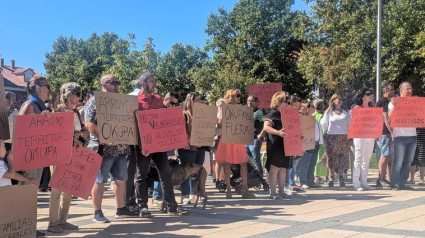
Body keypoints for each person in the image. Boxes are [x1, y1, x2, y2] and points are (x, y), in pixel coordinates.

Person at [85, 74, 138, 223]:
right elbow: (89, 123)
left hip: (121, 148)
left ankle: (121, 209)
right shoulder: (94, 101)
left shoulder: (121, 102)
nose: (116, 85)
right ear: (103, 84)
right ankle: (97, 212)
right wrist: (104, 138)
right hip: (103, 149)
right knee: (100, 180)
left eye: (117, 82)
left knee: (121, 179)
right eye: (112, 82)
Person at [136, 73, 182, 216]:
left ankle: (171, 206)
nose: (153, 84)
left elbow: (163, 120)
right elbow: (134, 125)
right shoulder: (135, 100)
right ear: (143, 84)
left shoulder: (158, 99)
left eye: (154, 81)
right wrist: (141, 144)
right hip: (142, 145)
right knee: (141, 175)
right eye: (151, 82)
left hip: (158, 145)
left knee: (165, 173)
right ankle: (142, 206)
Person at [47, 83, 87, 233]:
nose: (79, 97)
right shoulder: (58, 111)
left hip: (73, 152)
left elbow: (83, 131)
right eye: (77, 93)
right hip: (59, 154)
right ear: (69, 95)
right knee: (57, 189)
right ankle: (53, 223)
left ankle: (63, 220)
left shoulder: (76, 112)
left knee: (69, 189)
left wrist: (80, 137)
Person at [19, 75, 52, 237]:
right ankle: (23, 228)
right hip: (29, 158)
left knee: (32, 194)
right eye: (47, 86)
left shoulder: (39, 106)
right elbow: (21, 131)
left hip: (37, 157)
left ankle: (29, 226)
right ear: (38, 88)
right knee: (26, 194)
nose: (49, 90)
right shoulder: (29, 105)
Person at [216, 89, 254, 199]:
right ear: (231, 96)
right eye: (237, 95)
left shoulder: (241, 109)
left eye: (239, 95)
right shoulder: (225, 109)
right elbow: (219, 125)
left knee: (243, 162)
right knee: (227, 164)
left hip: (238, 139)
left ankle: (245, 189)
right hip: (227, 138)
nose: (239, 97)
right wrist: (219, 122)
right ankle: (228, 190)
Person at [177, 92, 207, 204]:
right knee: (186, 170)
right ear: (190, 101)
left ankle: (195, 193)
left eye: (200, 100)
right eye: (196, 100)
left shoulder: (203, 113)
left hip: (201, 146)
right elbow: (181, 130)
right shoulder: (183, 113)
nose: (199, 102)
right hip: (187, 147)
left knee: (198, 170)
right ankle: (185, 194)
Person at [151, 91, 180, 205]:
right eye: (171, 103)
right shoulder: (158, 109)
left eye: (175, 104)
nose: (172, 106)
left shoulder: (171, 112)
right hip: (156, 146)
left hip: (167, 145)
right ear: (166, 99)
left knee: (166, 172)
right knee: (159, 171)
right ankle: (157, 196)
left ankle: (164, 198)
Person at [388, 82, 417, 190]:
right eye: (407, 89)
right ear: (401, 91)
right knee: (398, 161)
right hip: (400, 136)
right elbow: (389, 117)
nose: (410, 91)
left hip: (412, 135)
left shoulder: (414, 103)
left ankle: (403, 183)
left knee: (408, 161)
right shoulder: (394, 102)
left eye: (411, 89)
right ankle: (394, 184)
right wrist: (395, 106)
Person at [262, 92, 291, 199]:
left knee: (283, 168)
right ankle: (273, 193)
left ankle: (281, 191)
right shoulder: (272, 114)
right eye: (285, 102)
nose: (287, 104)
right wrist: (279, 132)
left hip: (285, 145)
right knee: (274, 169)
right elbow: (266, 127)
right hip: (275, 145)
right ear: (278, 102)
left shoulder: (286, 114)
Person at [320, 93, 351, 187]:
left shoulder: (346, 112)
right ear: (333, 101)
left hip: (344, 137)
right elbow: (324, 124)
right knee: (331, 157)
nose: (340, 101)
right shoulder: (329, 112)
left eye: (341, 99)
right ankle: (331, 177)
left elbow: (350, 124)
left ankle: (341, 177)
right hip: (332, 137)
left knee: (342, 157)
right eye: (338, 99)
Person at [351, 88, 375, 191]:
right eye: (368, 94)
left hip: (370, 136)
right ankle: (356, 183)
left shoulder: (372, 107)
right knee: (358, 159)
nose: (370, 96)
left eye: (370, 94)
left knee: (367, 160)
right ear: (362, 97)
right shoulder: (356, 108)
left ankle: (364, 182)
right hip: (360, 136)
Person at [375, 84, 395, 187]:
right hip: (384, 132)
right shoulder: (384, 101)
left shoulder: (381, 101)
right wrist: (391, 132)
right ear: (386, 91)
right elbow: (385, 118)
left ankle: (384, 179)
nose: (394, 91)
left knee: (388, 157)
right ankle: (381, 179)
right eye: (392, 89)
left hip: (381, 132)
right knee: (385, 156)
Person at [245, 94, 265, 177]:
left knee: (256, 159)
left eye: (252, 101)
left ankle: (260, 177)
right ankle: (253, 177)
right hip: (246, 139)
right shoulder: (245, 111)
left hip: (255, 139)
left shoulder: (258, 112)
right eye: (248, 100)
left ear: (256, 102)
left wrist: (261, 134)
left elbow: (265, 124)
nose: (250, 102)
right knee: (249, 160)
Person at [312, 99, 328, 183]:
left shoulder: (312, 115)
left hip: (313, 139)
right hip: (321, 140)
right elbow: (324, 129)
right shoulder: (322, 116)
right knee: (321, 157)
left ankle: (316, 175)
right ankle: (320, 175)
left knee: (316, 157)